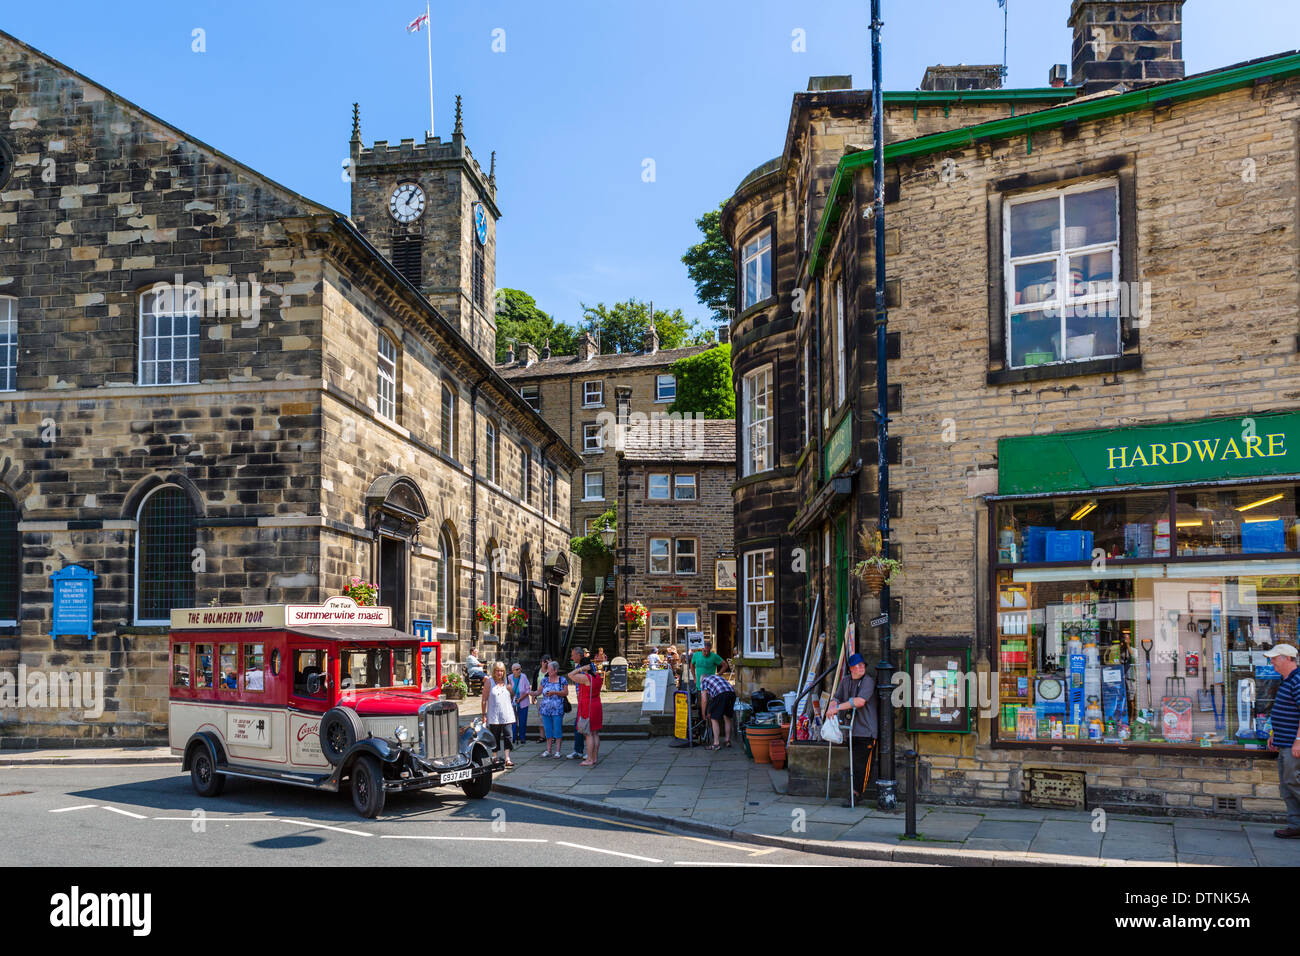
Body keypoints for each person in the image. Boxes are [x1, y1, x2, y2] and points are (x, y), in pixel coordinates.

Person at [827, 653, 878, 807]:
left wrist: (837, 707)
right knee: (854, 763)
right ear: (851, 668)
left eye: (863, 665)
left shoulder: (868, 681)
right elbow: (837, 697)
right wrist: (832, 704)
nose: (861, 668)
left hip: (866, 731)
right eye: (858, 665)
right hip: (851, 730)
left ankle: (856, 794)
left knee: (861, 764)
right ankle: (855, 792)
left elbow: (860, 701)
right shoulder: (846, 681)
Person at [1265, 642, 1300, 838]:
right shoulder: (1287, 680)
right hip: (1284, 742)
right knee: (1287, 786)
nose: (1272, 662)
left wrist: (1299, 741)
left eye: (1275, 658)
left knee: (1293, 782)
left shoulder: (1297, 680)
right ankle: (1296, 826)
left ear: (1287, 658)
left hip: (1293, 746)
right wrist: (1274, 735)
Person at [568, 656, 603, 767]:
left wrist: (580, 669)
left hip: (588, 706)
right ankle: (595, 758)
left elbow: (570, 675)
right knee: (595, 733)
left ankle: (589, 759)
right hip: (597, 704)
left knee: (588, 734)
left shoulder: (586, 678)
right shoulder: (597, 676)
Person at [481, 661, 515, 767]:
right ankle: (495, 756)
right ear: (494, 671)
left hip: (507, 714)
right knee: (495, 737)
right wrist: (483, 715)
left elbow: (512, 696)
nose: (499, 673)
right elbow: (484, 699)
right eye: (497, 670)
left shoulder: (507, 681)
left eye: (501, 671)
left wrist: (510, 691)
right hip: (494, 715)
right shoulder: (489, 682)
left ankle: (507, 758)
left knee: (508, 736)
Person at [534, 660, 568, 757]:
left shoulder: (562, 680)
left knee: (557, 730)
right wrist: (531, 693)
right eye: (548, 669)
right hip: (545, 709)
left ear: (555, 670)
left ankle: (557, 751)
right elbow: (538, 692)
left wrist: (554, 692)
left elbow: (565, 693)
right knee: (548, 730)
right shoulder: (544, 680)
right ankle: (548, 750)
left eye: (550, 669)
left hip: (557, 710)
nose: (548, 671)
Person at [700, 670, 736, 750]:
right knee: (727, 717)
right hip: (732, 694)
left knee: (714, 718)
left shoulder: (704, 681)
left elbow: (704, 700)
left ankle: (716, 744)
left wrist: (703, 713)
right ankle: (727, 740)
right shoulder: (717, 677)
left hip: (721, 694)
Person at [565, 646, 588, 759]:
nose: (571, 657)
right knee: (578, 725)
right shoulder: (579, 666)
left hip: (587, 700)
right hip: (581, 701)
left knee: (587, 726)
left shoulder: (586, 667)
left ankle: (589, 751)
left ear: (579, 655)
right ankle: (578, 751)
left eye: (573, 655)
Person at [509, 662, 532, 746]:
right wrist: (512, 698)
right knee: (513, 722)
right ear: (513, 671)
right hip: (512, 703)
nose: (519, 671)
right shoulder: (509, 678)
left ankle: (522, 738)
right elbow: (507, 690)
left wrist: (520, 699)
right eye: (517, 669)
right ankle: (513, 738)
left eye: (520, 669)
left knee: (522, 721)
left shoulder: (524, 677)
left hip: (523, 703)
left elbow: (527, 689)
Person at [534, 654, 552, 742]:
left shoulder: (551, 672)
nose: (545, 663)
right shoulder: (537, 671)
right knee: (540, 717)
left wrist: (550, 665)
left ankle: (551, 736)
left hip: (550, 697)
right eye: (544, 661)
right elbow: (534, 684)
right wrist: (533, 695)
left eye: (547, 661)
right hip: (540, 697)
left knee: (550, 717)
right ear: (541, 662)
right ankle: (542, 736)